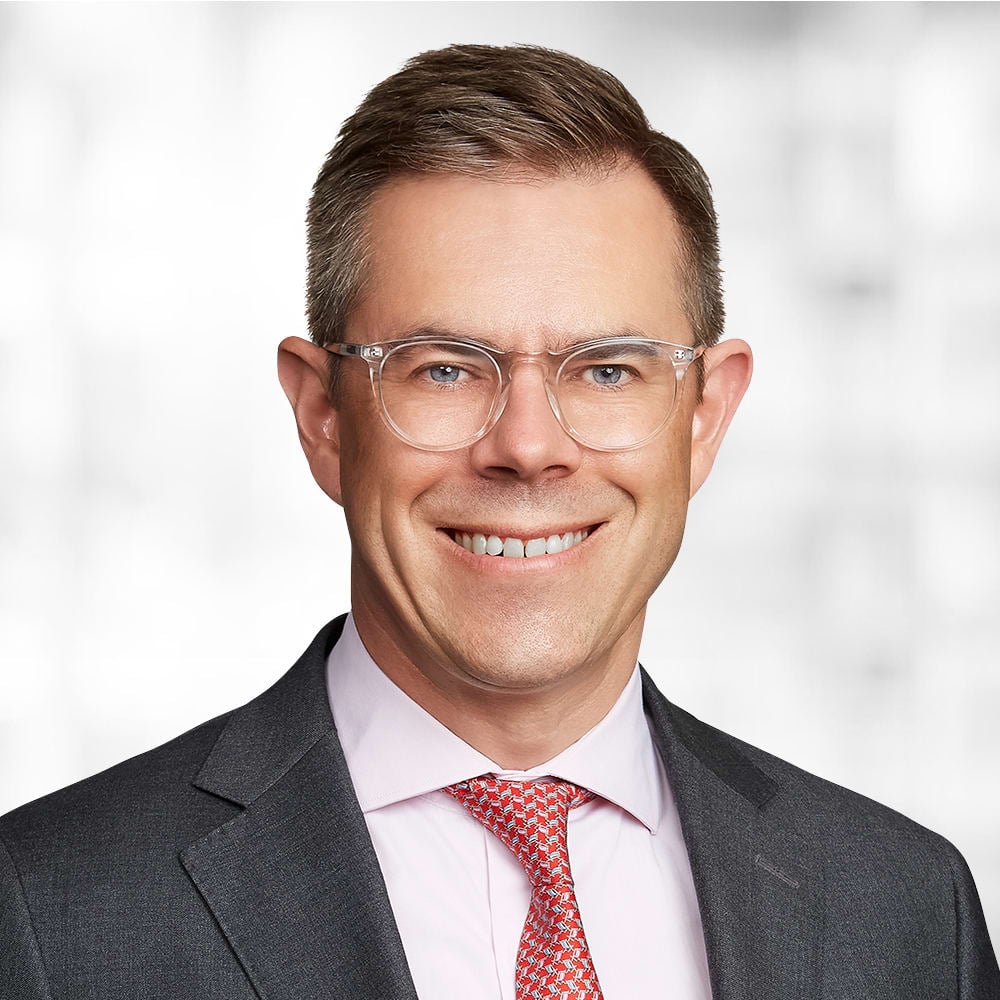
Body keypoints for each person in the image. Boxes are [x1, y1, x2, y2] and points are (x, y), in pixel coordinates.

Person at [1, 42, 996, 1000]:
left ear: (705, 416)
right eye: (443, 369)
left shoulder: (904, 910)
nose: (527, 445)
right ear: (321, 415)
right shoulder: (51, 914)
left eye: (607, 370)